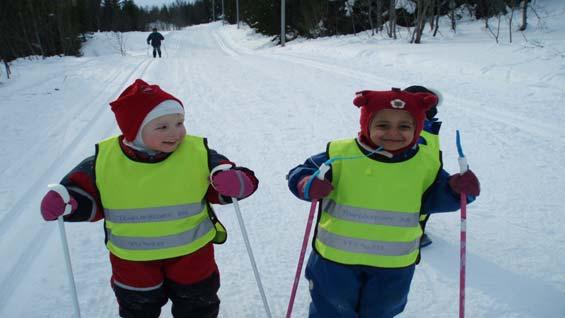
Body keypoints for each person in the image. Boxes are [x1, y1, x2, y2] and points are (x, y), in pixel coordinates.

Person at [40, 79, 259, 318]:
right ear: (134, 130)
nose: (176, 132)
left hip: (192, 256)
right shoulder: (104, 161)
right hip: (133, 262)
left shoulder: (196, 152)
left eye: (179, 123)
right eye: (162, 127)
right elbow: (84, 196)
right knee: (138, 311)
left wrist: (237, 182)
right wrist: (67, 203)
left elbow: (225, 180)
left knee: (198, 306)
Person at [287, 88, 480, 318]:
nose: (393, 133)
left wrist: (457, 191)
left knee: (381, 312)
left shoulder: (424, 164)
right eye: (383, 125)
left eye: (404, 127)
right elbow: (300, 172)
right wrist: (306, 183)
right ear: (366, 123)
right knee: (331, 309)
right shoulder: (340, 154)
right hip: (335, 262)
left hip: (394, 266)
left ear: (417, 128)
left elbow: (435, 199)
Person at [404, 85, 444, 248]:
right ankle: (411, 233)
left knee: (423, 197)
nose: (432, 112)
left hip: (426, 176)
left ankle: (416, 230)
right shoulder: (414, 131)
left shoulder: (427, 129)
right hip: (410, 182)